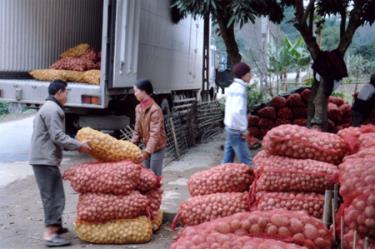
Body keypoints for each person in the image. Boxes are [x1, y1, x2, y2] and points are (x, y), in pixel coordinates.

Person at [29, 80, 91, 247]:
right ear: (59, 93)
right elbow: (58, 136)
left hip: (44, 157)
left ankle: (56, 226)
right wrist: (80, 146)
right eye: (66, 92)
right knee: (52, 196)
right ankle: (50, 234)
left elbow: (53, 136)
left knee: (56, 194)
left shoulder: (48, 107)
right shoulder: (53, 109)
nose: (67, 95)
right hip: (44, 159)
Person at [131, 79, 167, 176]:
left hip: (157, 147)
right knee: (146, 176)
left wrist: (146, 153)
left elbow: (155, 135)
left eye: (136, 91)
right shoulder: (138, 108)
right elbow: (137, 130)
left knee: (154, 176)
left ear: (144, 91)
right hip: (147, 146)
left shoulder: (155, 110)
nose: (134, 94)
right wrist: (130, 146)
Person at [222, 62, 252, 166]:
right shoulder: (240, 89)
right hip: (236, 130)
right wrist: (243, 129)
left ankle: (222, 178)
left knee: (227, 161)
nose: (251, 76)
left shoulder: (232, 87)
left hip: (230, 127)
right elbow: (236, 112)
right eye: (249, 73)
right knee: (247, 162)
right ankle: (255, 181)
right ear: (243, 75)